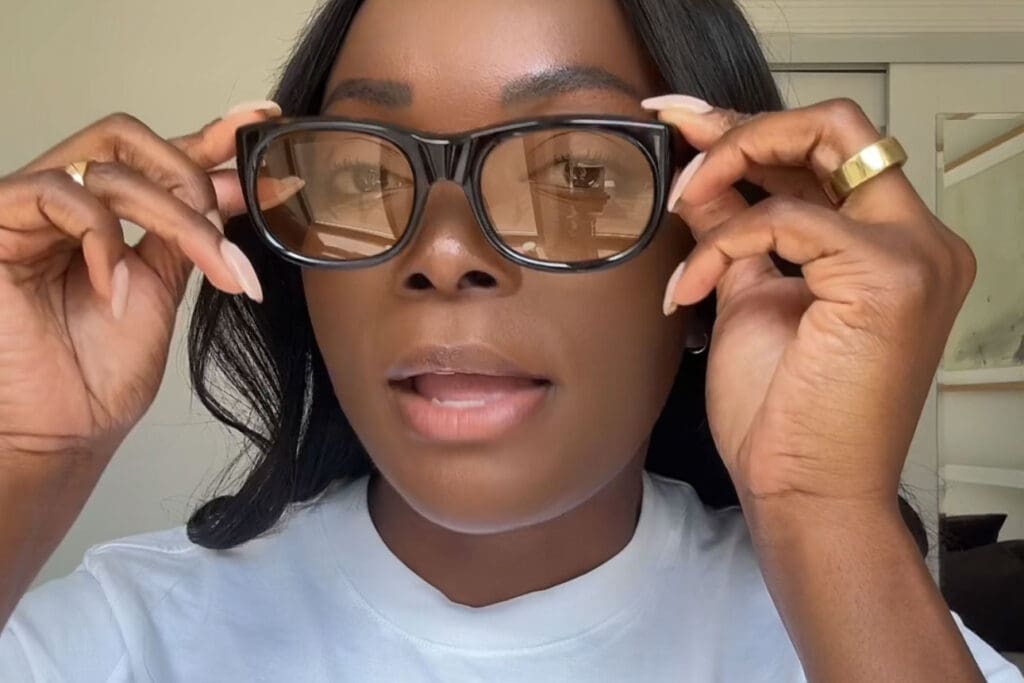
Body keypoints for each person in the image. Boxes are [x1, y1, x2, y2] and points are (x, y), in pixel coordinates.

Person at [0, 0, 1020, 681]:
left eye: (576, 173)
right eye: (361, 174)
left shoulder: (859, 635)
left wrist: (824, 511)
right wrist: (21, 453)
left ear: (725, 239)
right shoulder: (127, 637)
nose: (445, 254)